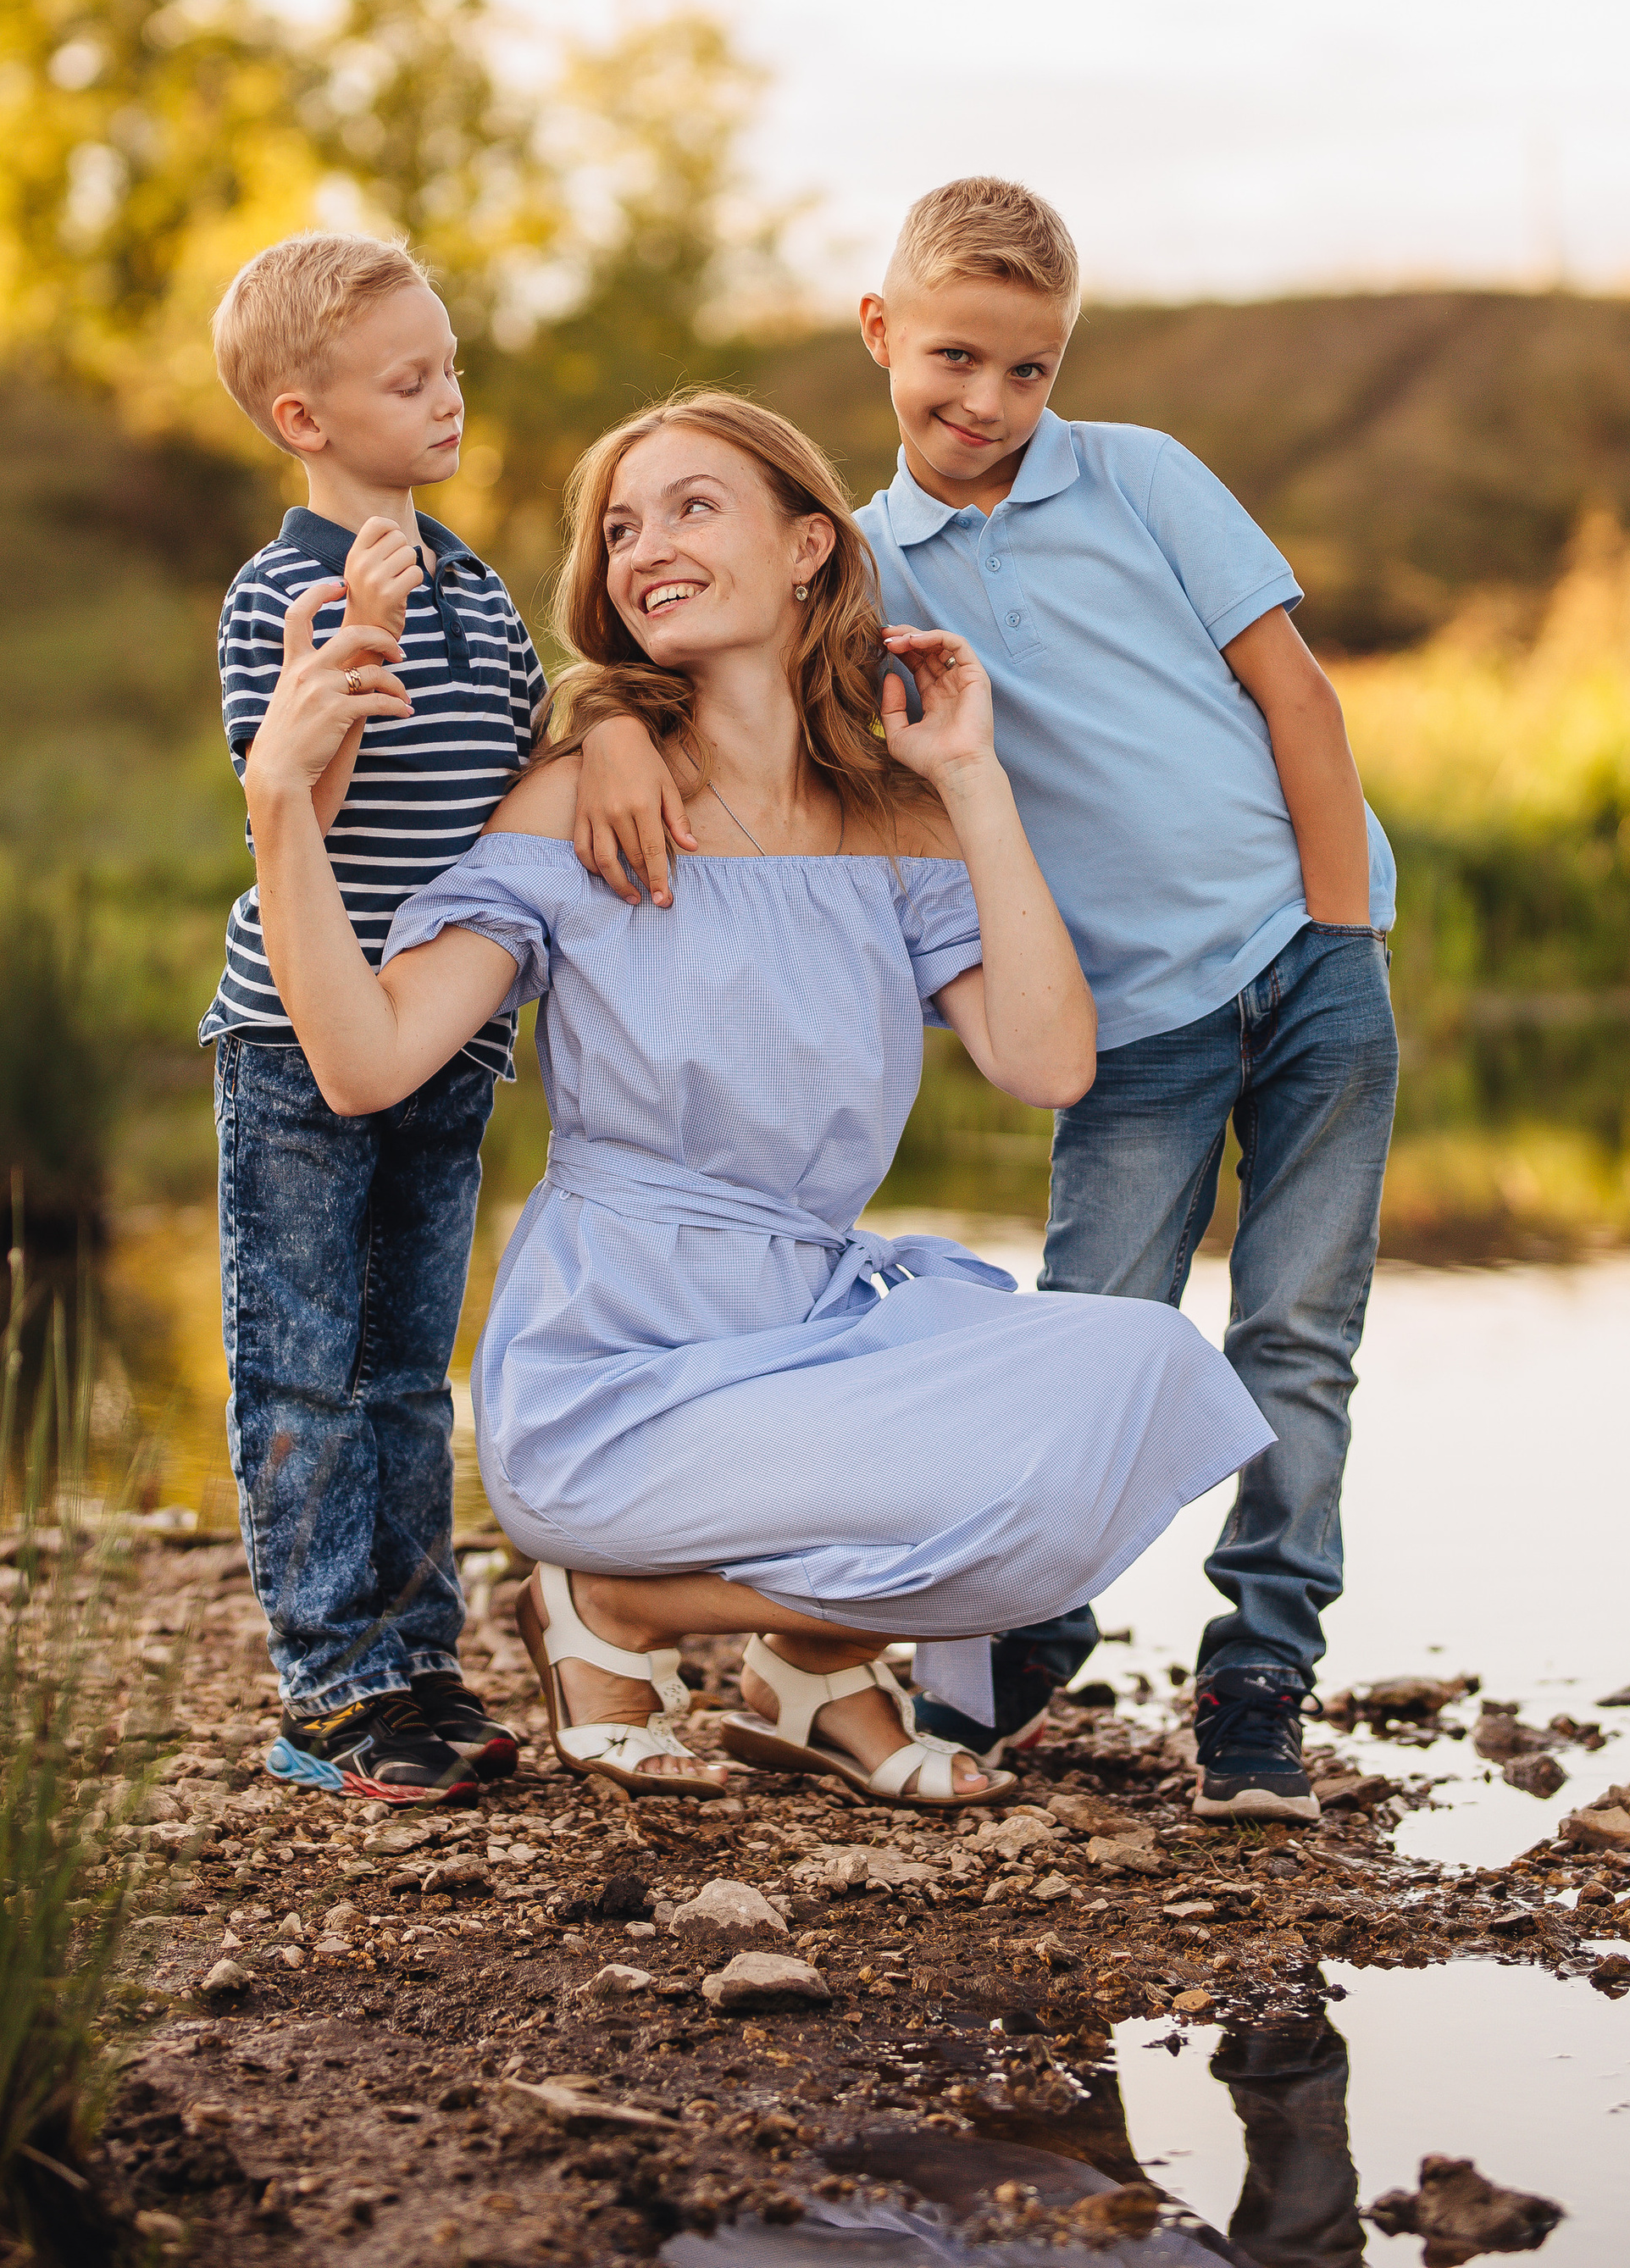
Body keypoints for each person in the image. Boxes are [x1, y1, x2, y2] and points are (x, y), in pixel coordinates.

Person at [242, 391, 1272, 1805]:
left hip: (817, 1332)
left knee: (1148, 1382)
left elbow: (1049, 1066)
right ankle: (618, 1608)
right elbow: (364, 1063)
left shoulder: (895, 823)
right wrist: (278, 805)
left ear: (807, 548)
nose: (643, 548)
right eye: (617, 528)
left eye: (689, 507)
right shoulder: (578, 803)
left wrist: (971, 786)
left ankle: (805, 1664)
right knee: (1008, 1482)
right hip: (615, 1372)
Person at [572, 182, 1399, 1823]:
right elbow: (685, 659)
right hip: (1124, 1028)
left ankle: (1254, 1682)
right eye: (954, 360)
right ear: (878, 334)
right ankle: (1015, 1640)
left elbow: (1287, 690)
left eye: (1029, 372)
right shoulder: (852, 570)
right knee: (1082, 1334)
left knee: (1296, 1336)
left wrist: (1335, 932)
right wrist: (599, 722)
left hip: (1307, 966)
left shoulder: (1143, 475)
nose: (988, 405)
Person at [202, 232, 544, 1804]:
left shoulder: (483, 590)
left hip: (453, 1041)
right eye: (410, 382)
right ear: (305, 419)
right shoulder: (277, 597)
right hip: (295, 1038)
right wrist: (351, 654)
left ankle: (421, 1661)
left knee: (411, 1362)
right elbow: (297, 819)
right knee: (302, 1363)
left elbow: (528, 777)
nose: (448, 399)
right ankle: (330, 1683)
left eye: (451, 367)